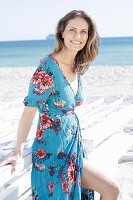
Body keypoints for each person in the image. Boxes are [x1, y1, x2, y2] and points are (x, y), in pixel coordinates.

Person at [0, 10, 119, 200]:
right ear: (62, 32)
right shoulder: (47, 69)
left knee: (111, 189)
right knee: (111, 189)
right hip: (53, 154)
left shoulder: (76, 66)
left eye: (84, 31)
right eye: (72, 30)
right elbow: (29, 111)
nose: (78, 36)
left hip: (73, 149)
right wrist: (18, 151)